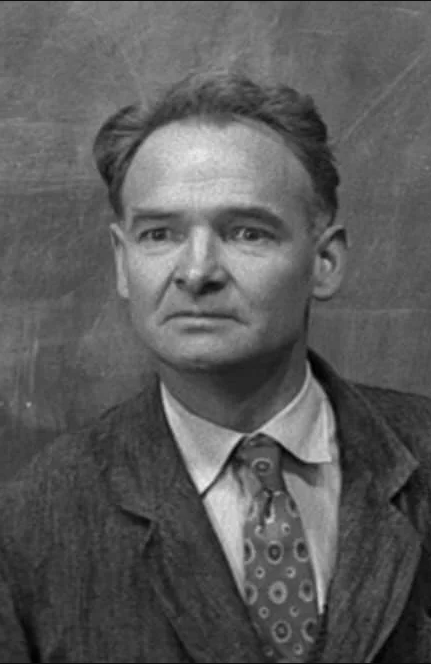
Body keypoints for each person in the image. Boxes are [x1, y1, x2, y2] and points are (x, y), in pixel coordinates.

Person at [1, 69, 431, 664]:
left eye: (247, 232)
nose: (197, 271)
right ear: (123, 263)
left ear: (325, 262)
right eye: (160, 234)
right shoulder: (30, 524)